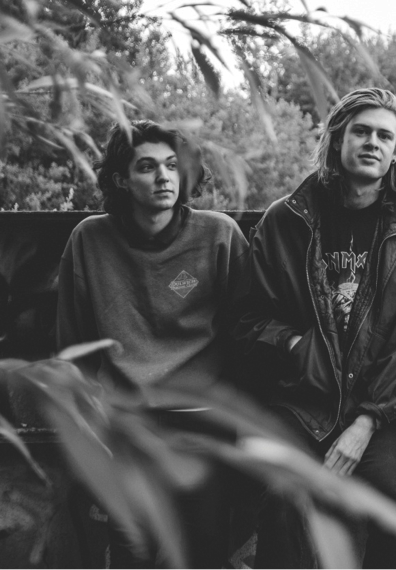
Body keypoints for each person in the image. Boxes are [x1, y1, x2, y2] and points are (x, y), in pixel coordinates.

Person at [233, 87, 396, 569]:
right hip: (299, 403)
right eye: (361, 131)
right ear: (338, 140)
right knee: (283, 503)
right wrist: (293, 343)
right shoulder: (286, 220)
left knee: (394, 509)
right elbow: (246, 320)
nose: (372, 143)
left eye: (384, 136)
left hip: (375, 409)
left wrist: (367, 423)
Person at [56, 120, 249, 568]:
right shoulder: (88, 240)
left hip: (202, 424)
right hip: (127, 426)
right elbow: (72, 352)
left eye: (172, 165)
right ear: (121, 179)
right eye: (147, 167)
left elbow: (250, 338)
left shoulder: (219, 235)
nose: (164, 176)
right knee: (131, 551)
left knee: (204, 553)